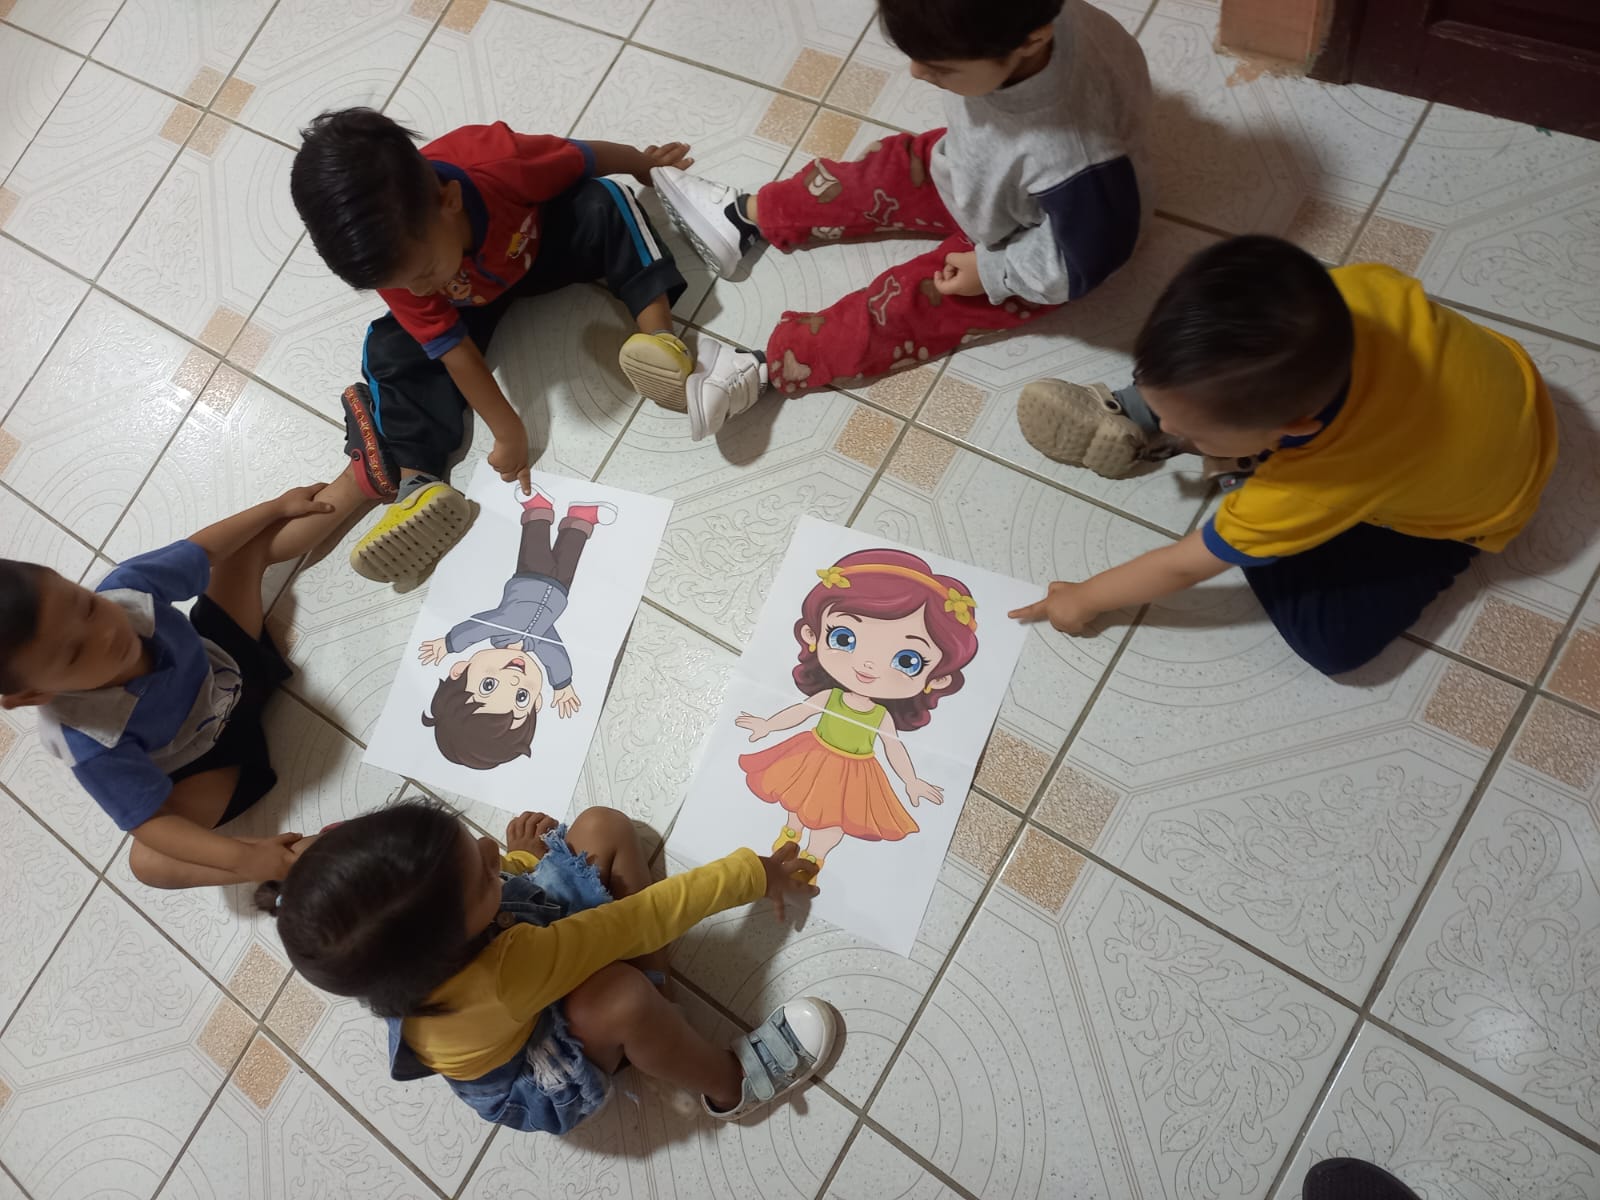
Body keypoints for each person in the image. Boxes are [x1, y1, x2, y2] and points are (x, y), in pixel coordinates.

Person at [1010, 236, 1557, 675]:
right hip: (1503, 390)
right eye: (1161, 409)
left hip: (1478, 509)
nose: (1174, 434)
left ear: (1294, 429)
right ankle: (1167, 401)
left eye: (1191, 433)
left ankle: (1232, 472)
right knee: (1214, 374)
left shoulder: (1308, 489)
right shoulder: (1353, 292)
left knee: (1334, 644)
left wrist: (1083, 599)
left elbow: (1182, 566)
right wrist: (1200, 414)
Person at [648, 0, 1152, 440]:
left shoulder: (1079, 160)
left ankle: (764, 369)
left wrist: (993, 273)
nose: (914, 72)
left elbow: (1085, 258)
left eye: (939, 66)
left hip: (1031, 243)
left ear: (1030, 41)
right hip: (981, 169)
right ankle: (744, 218)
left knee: (908, 310)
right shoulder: (1018, 24)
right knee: (883, 168)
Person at [289, 108, 710, 582]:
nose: (418, 290)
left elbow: (586, 157)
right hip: (467, 303)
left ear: (449, 201)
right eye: (402, 284)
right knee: (390, 350)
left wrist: (642, 164)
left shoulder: (498, 160)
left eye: (423, 272)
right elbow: (455, 351)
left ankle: (658, 338)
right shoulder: (401, 268)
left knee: (606, 201)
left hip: (540, 246)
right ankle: (415, 481)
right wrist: (508, 431)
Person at [258, 800, 835, 1130]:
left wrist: (513, 866)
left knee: (601, 827)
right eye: (482, 873)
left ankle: (654, 1010)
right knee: (621, 996)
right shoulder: (506, 974)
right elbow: (638, 920)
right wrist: (754, 873)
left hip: (512, 969)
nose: (490, 850)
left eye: (469, 843)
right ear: (456, 936)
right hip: (536, 1065)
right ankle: (731, 1085)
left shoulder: (407, 946)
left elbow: (492, 900)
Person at [0, 486, 343, 888]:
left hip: (226, 666)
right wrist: (243, 859)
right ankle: (302, 860)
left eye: (88, 606)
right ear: (33, 695)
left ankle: (363, 477)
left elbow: (202, 550)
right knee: (148, 863)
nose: (107, 634)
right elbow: (148, 820)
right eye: (75, 653)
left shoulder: (123, 590)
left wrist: (275, 507)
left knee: (244, 549)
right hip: (213, 761)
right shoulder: (85, 740)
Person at [735, 548, 980, 877]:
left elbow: (893, 746)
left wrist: (911, 781)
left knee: (833, 821)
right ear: (812, 634)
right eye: (844, 637)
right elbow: (802, 712)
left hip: (855, 772)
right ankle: (790, 836)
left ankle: (813, 860)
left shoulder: (880, 716)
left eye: (907, 660)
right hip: (813, 755)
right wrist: (768, 724)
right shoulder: (831, 696)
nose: (868, 665)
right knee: (798, 803)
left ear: (936, 679)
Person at [417, 484, 615, 769]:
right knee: (569, 554)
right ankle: (580, 519)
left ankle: (538, 509)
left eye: (488, 685)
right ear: (536, 702)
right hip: (561, 588)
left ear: (460, 669)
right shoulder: (538, 639)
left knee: (536, 542)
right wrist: (562, 684)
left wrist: (449, 643)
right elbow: (554, 652)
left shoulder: (501, 625)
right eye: (521, 697)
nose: (513, 681)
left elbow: (479, 626)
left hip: (530, 576)